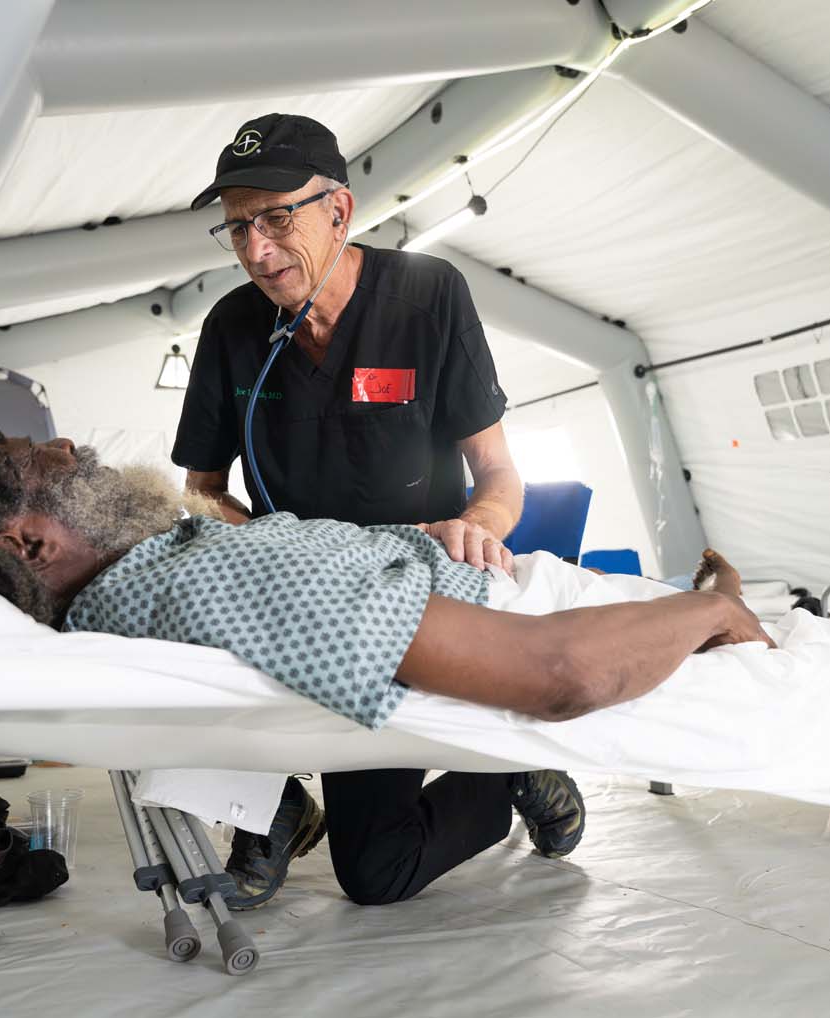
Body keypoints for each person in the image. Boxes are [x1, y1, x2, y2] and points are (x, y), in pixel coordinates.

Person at [0, 428, 830, 895]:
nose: (74, 448)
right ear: (30, 540)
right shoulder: (201, 581)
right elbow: (559, 675)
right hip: (568, 636)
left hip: (500, 593)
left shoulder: (166, 574)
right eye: (43, 459)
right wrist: (700, 611)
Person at [170, 112, 555, 908]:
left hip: (412, 596)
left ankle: (509, 767)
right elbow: (202, 490)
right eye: (237, 227)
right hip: (300, 586)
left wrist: (476, 530)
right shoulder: (232, 326)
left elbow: (497, 473)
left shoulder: (426, 296)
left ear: (339, 211)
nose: (255, 250)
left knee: (376, 875)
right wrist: (270, 547)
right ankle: (274, 805)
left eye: (276, 219)